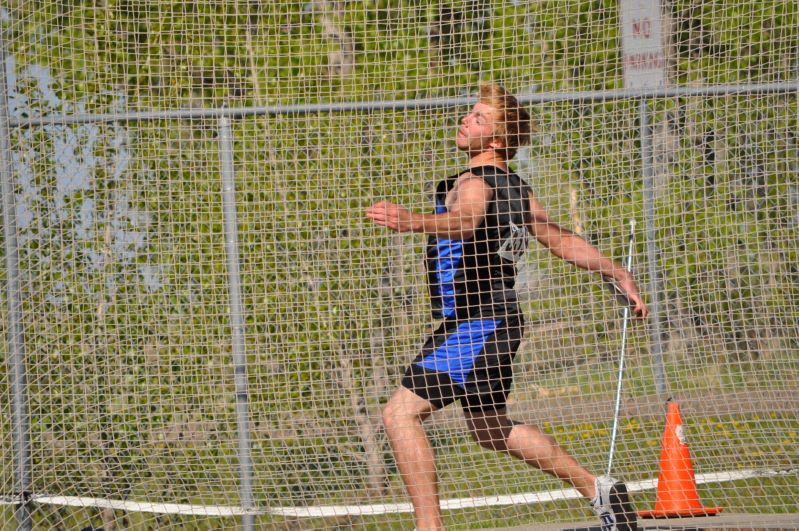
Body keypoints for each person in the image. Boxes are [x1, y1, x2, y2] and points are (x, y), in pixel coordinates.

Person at [365, 82, 649, 531]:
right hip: (494, 319)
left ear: (496, 140)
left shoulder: (476, 182)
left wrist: (411, 220)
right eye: (469, 112)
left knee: (399, 413)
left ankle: (428, 527)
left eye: (479, 118)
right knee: (489, 428)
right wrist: (615, 270)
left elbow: (464, 220)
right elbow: (559, 239)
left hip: (480, 320)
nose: (465, 119)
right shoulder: (515, 187)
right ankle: (596, 488)